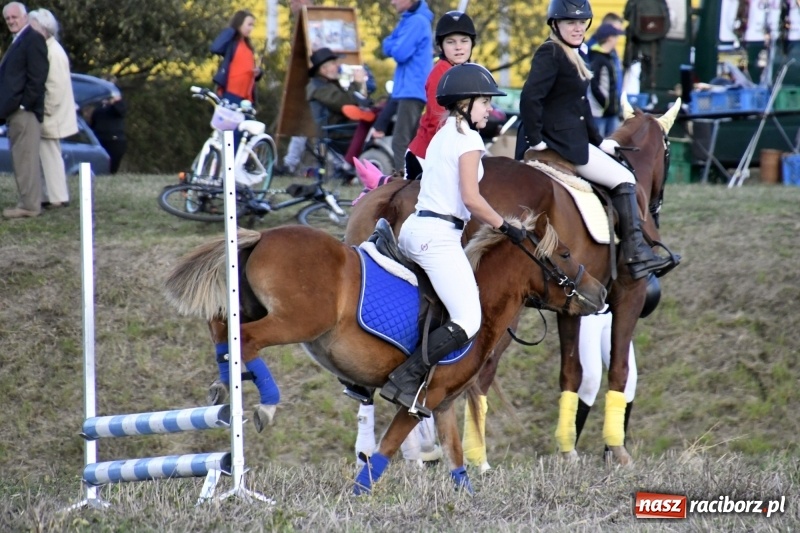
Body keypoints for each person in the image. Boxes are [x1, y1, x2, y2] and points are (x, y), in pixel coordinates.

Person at [379, 63, 526, 418]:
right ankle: (406, 379)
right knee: (469, 319)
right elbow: (472, 199)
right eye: (485, 102)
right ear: (465, 102)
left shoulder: (443, 132)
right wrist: (506, 227)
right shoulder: (469, 140)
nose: (490, 108)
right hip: (438, 239)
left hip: (415, 229)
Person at [516, 0, 673, 281]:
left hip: (570, 138)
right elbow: (530, 98)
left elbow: (580, 106)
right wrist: (536, 140)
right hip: (560, 144)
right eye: (570, 23)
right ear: (555, 25)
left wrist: (599, 141)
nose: (578, 28)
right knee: (625, 178)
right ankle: (636, 252)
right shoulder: (550, 52)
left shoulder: (574, 53)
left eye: (581, 22)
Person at [405, 10, 475, 180]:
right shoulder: (441, 73)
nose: (458, 47)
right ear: (441, 46)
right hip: (427, 156)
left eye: (464, 41)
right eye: (451, 42)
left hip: (446, 152)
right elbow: (438, 120)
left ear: (472, 43)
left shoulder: (465, 71)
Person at [0, 1, 48, 219]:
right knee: (22, 157)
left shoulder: (32, 39)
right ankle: (29, 201)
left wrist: (23, 104)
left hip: (25, 112)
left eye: (14, 17)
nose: (11, 21)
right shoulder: (19, 40)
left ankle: (29, 206)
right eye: (8, 18)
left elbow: (37, 77)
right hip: (16, 111)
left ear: (25, 17)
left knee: (25, 158)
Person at [28, 8, 77, 207]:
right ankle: (49, 195)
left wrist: (43, 110)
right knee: (45, 156)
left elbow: (55, 87)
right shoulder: (48, 49)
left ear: (44, 29)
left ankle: (57, 196)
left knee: (50, 156)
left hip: (50, 115)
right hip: (49, 113)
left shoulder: (53, 52)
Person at [380, 0, 434, 172]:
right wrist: (394, 44)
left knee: (400, 141)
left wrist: (393, 44)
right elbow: (387, 46)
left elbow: (400, 52)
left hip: (412, 90)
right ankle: (412, 178)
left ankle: (403, 180)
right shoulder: (409, 19)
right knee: (410, 140)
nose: (392, 2)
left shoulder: (416, 21)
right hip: (408, 89)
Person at [306, 47, 376, 174]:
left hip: (342, 126)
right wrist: (356, 83)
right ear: (323, 69)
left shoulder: (327, 83)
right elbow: (345, 103)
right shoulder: (319, 88)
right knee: (372, 130)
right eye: (333, 63)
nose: (337, 66)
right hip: (336, 130)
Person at [211, 10, 262, 105]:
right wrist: (232, 30)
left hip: (246, 97)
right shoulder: (232, 43)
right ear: (240, 24)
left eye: (252, 25)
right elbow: (215, 48)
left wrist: (258, 72)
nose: (251, 28)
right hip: (230, 92)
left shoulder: (248, 46)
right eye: (249, 25)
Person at [588, 22, 625, 136]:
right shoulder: (598, 58)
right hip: (600, 112)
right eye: (615, 36)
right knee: (598, 142)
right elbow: (594, 84)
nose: (617, 40)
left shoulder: (610, 57)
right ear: (609, 38)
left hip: (611, 112)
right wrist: (605, 104)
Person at [89, 79, 127, 174]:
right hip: (100, 139)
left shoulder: (118, 105)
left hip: (114, 140)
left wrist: (115, 100)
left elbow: (121, 111)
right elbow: (93, 123)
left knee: (111, 168)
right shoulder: (99, 106)